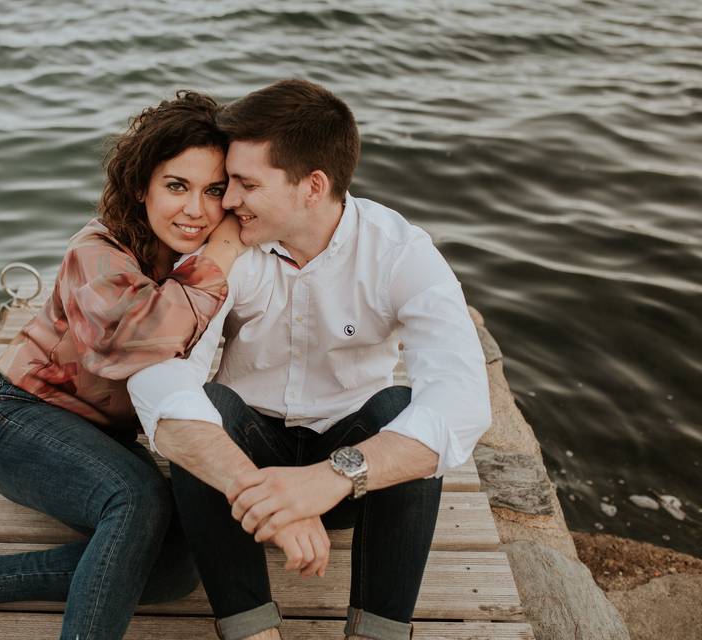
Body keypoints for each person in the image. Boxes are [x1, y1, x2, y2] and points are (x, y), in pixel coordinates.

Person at [127, 79, 492, 640]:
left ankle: (378, 632)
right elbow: (158, 374)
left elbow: (462, 402)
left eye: (246, 184)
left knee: (403, 406)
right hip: (244, 467)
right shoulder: (226, 250)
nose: (226, 203)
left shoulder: (398, 252)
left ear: (312, 187)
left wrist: (328, 479)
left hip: (352, 476)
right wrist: (270, 491)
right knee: (205, 405)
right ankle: (252, 630)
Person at [0, 90, 247, 640]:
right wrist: (222, 255)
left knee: (178, 565)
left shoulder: (189, 256)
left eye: (215, 192)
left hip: (103, 439)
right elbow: (137, 339)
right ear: (141, 185)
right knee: (135, 500)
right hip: (17, 420)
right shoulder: (99, 249)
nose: (196, 210)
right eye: (177, 186)